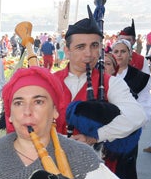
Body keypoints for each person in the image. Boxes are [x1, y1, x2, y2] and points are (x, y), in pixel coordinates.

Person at [53, 16, 145, 162]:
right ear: (67, 50)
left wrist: (96, 136)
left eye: (94, 46)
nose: (89, 53)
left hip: (92, 165)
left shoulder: (111, 83)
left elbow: (137, 116)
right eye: (80, 47)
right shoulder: (50, 81)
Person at [102, 39, 151, 179]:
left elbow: (145, 110)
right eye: (116, 51)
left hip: (126, 141)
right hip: (103, 144)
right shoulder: (97, 84)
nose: (119, 55)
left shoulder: (139, 79)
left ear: (130, 55)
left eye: (123, 52)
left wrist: (125, 126)